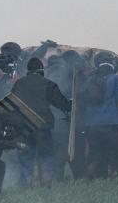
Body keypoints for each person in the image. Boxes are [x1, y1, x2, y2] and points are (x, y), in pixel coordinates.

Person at [10, 57, 72, 187]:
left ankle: (26, 183)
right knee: (46, 155)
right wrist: (71, 103)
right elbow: (62, 104)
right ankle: (46, 182)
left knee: (26, 155)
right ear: (41, 70)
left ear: (28, 70)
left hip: (23, 127)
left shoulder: (19, 83)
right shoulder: (48, 84)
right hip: (42, 127)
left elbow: (12, 104)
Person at [80, 53, 118, 179]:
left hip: (92, 124)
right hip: (111, 123)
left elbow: (81, 96)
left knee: (95, 152)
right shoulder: (114, 78)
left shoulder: (89, 79)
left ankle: (93, 177)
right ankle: (115, 177)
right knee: (113, 152)